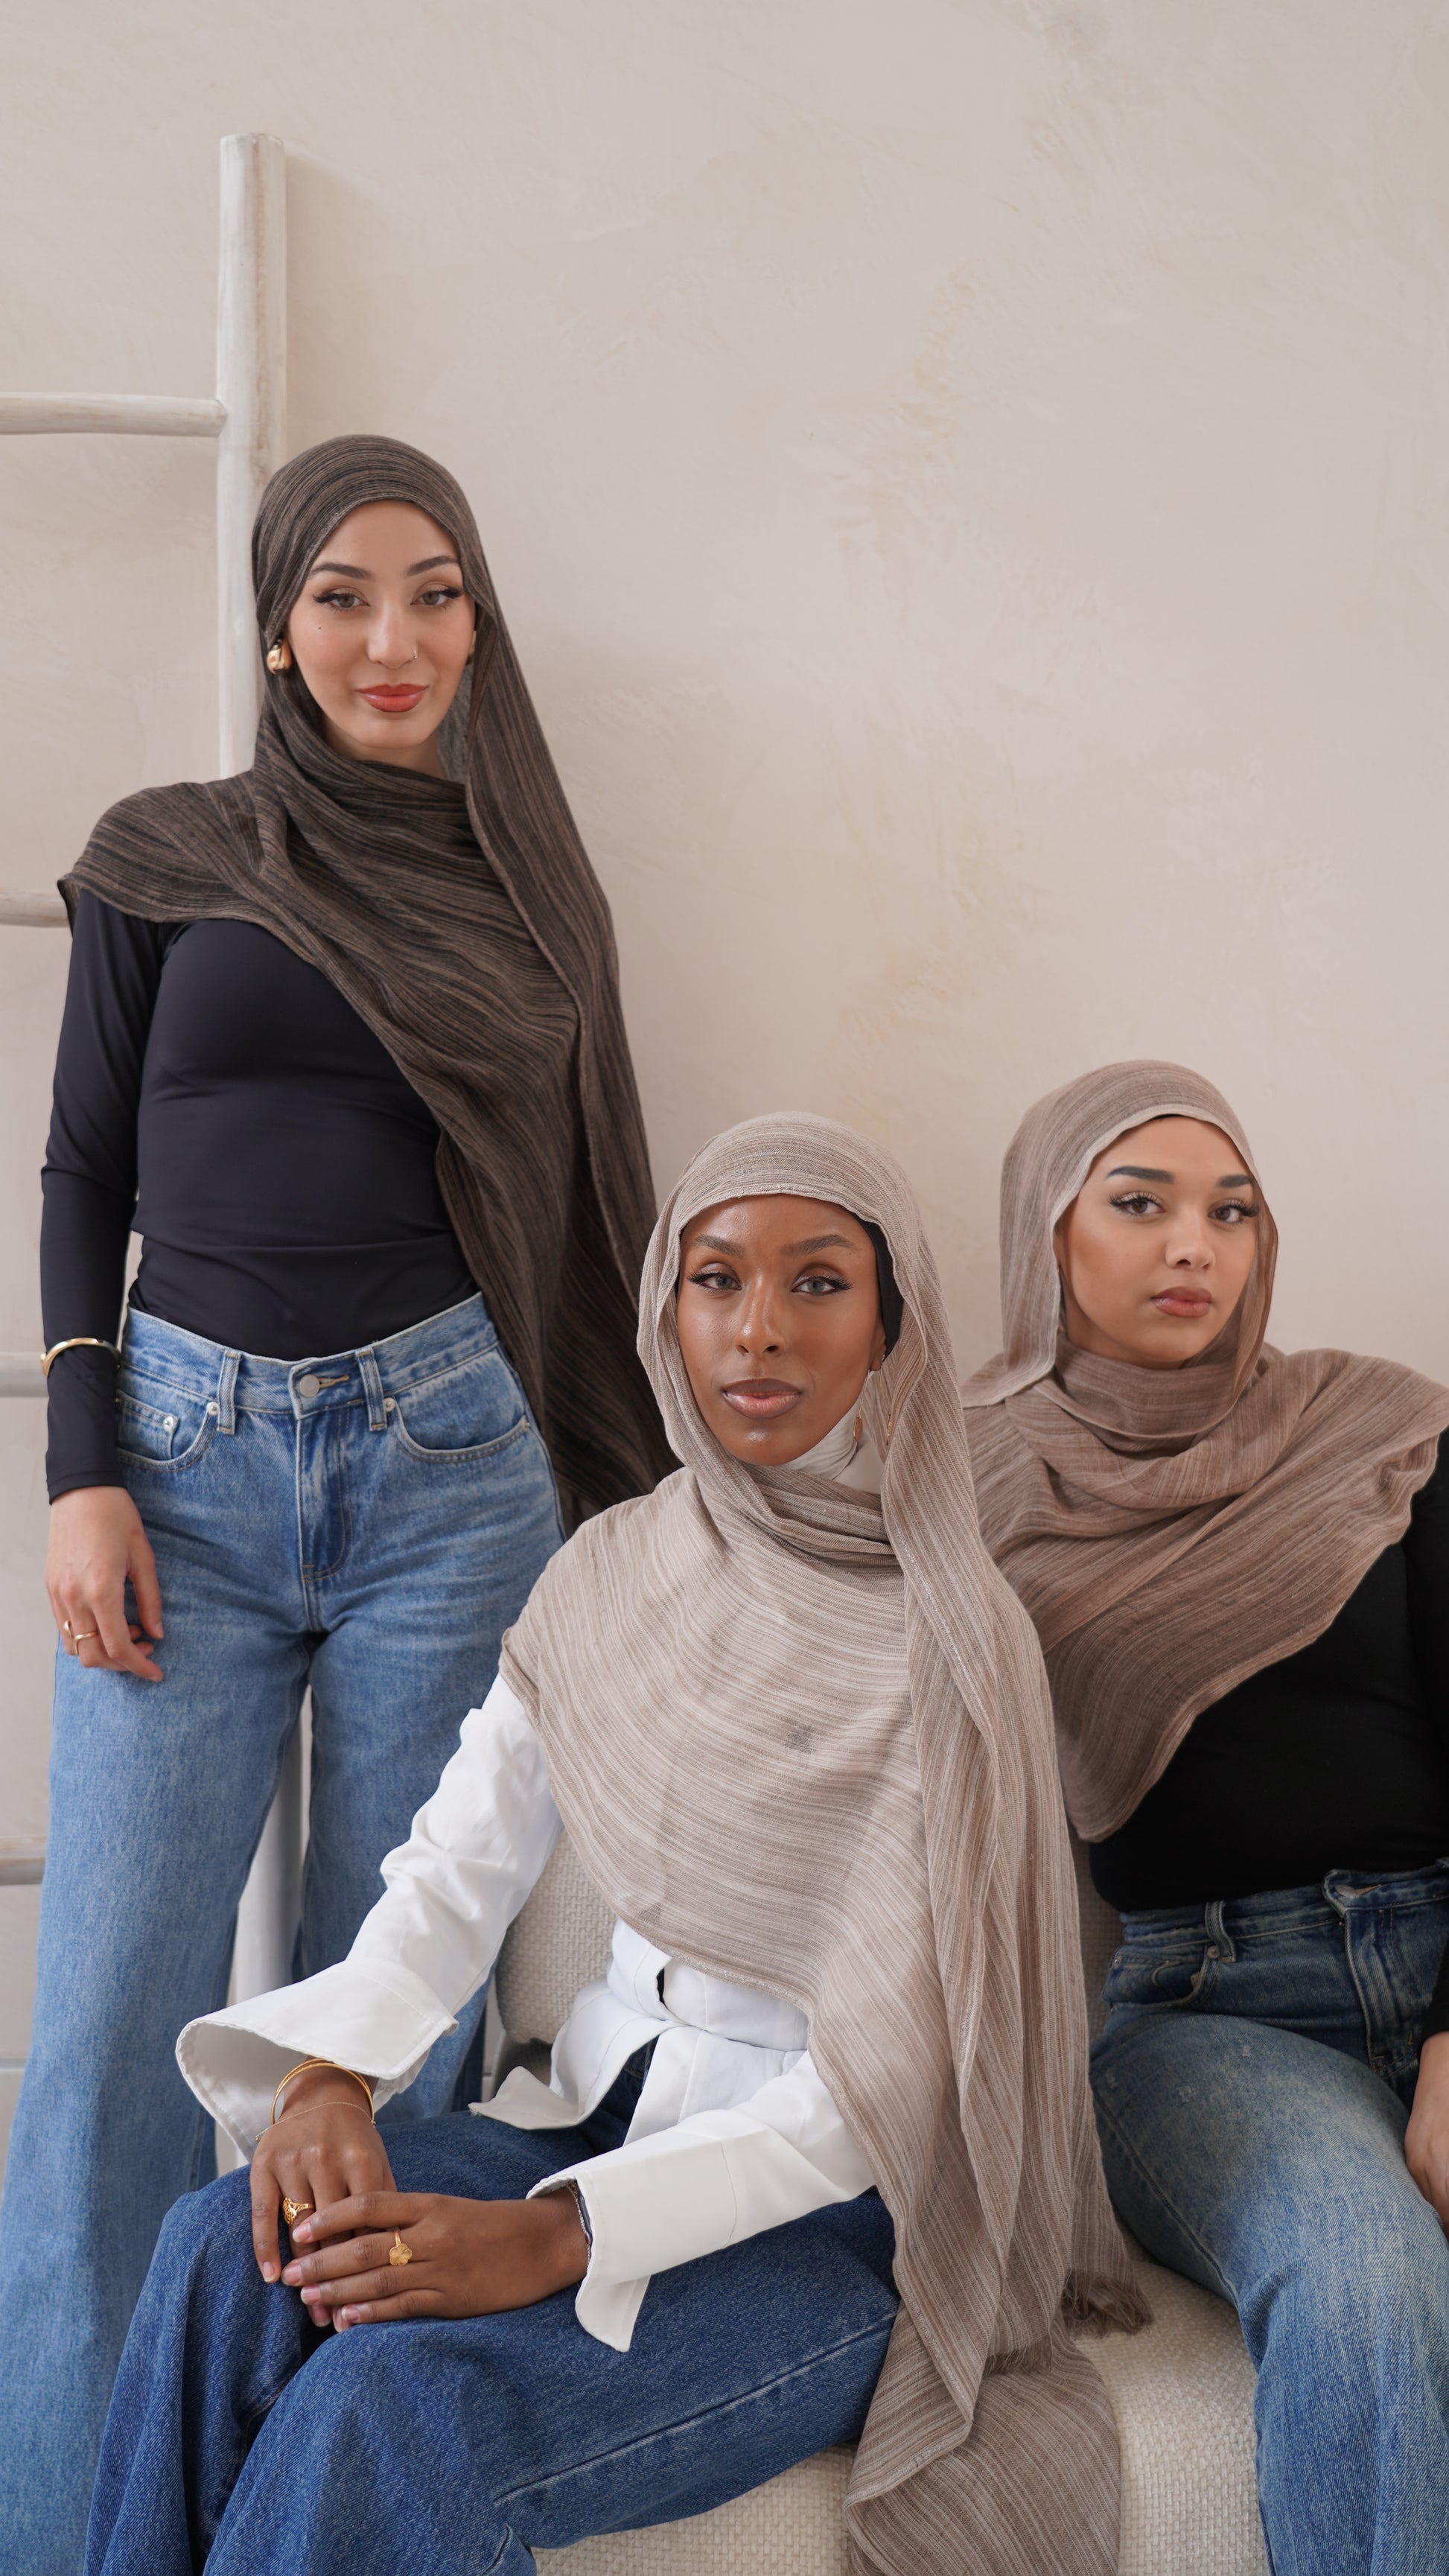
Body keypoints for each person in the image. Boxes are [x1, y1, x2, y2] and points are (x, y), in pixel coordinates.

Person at [86, 1112, 1141, 2576]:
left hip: (835, 2229)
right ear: (664, 1313)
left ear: (893, 1325)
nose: (758, 1327)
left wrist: (562, 2234)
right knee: (220, 2248)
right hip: (581, 2124)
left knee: (393, 2401)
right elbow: (454, 1871)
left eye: (818, 1281)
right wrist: (328, 2076)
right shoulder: (610, 1570)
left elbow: (886, 2085)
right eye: (717, 1279)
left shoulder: (958, 1643)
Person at [0, 433, 672, 2576]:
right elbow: (81, 1171)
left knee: (380, 2048)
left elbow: (585, 1209)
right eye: (346, 595)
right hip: (178, 1476)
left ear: (479, 621)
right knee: (109, 2046)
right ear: (280, 627)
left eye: (436, 592)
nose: (396, 638)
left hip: (453, 1475)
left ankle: (298, 2518)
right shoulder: (169, 854)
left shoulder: (532, 890)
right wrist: (80, 1468)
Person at [961, 1058, 1449, 2576]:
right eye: (1139, 1203)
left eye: (1230, 1211)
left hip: (1439, 1946)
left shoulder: (1377, 1431)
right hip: (1206, 2009)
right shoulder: (967, 1487)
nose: (1194, 1245)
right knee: (1364, 2273)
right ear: (1046, 1233)